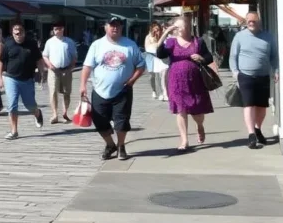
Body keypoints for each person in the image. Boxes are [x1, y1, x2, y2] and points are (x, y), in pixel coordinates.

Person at [80, 18, 146, 161]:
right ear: (105, 27)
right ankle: (110, 145)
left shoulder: (130, 45)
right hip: (99, 90)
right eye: (111, 25)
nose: (114, 28)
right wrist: (82, 85)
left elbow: (141, 66)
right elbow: (87, 67)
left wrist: (131, 81)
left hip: (123, 90)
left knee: (121, 121)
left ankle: (121, 146)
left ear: (121, 28)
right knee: (99, 120)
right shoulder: (97, 45)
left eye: (117, 25)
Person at [156, 18, 214, 152]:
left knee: (197, 111)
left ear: (188, 27)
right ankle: (184, 140)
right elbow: (159, 53)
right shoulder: (171, 42)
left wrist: (201, 58)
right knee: (181, 110)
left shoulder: (197, 41)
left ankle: (199, 126)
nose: (178, 29)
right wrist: (165, 34)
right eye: (176, 27)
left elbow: (209, 57)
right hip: (176, 81)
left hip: (195, 81)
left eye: (181, 27)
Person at [230, 11, 279, 149]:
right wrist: (236, 73)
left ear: (259, 21)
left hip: (263, 76)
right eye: (249, 21)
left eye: (254, 21)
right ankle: (251, 134)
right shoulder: (239, 36)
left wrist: (276, 70)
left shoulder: (267, 37)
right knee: (249, 104)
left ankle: (257, 128)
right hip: (245, 75)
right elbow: (233, 57)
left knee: (261, 106)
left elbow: (274, 56)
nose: (251, 23)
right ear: (246, 22)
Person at [0, 23, 45, 139]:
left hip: (27, 79)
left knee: (30, 105)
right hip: (10, 77)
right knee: (12, 105)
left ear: (24, 32)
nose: (18, 35)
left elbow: (39, 59)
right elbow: (0, 62)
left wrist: (41, 73)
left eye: (20, 33)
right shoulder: (7, 44)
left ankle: (37, 113)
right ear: (13, 34)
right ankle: (14, 131)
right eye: (15, 33)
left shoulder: (31, 44)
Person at [42, 21, 77, 124]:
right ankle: (54, 114)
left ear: (63, 29)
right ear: (53, 30)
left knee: (67, 92)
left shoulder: (69, 42)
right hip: (53, 70)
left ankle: (65, 113)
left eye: (59, 28)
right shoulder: (50, 42)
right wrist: (49, 65)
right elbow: (45, 55)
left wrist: (70, 68)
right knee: (53, 92)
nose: (57, 31)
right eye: (55, 29)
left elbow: (74, 57)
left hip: (66, 69)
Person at [144, 22, 167, 101]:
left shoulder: (163, 37)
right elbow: (148, 48)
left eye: (159, 29)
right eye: (156, 30)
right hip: (151, 58)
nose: (158, 31)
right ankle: (154, 90)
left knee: (160, 75)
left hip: (160, 59)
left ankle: (162, 93)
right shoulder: (148, 37)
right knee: (152, 76)